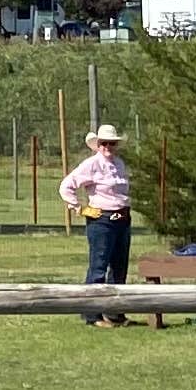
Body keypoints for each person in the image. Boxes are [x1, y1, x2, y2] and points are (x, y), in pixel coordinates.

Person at [60, 118, 134, 322]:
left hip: (122, 217)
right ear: (98, 145)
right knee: (99, 266)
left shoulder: (119, 163)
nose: (108, 147)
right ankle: (92, 313)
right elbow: (67, 185)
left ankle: (114, 311)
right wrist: (80, 208)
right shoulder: (92, 164)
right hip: (102, 218)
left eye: (112, 143)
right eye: (104, 143)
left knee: (119, 267)